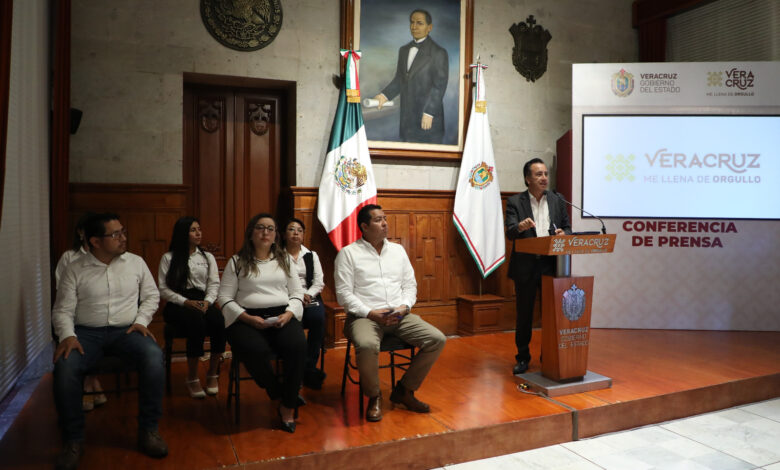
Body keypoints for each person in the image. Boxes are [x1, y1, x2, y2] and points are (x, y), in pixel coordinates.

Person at [52, 213, 166, 470]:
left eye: (123, 232)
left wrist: (142, 321)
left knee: (154, 357)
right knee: (65, 366)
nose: (123, 238)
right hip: (86, 332)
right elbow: (62, 309)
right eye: (115, 235)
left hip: (127, 330)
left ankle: (149, 430)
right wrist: (68, 335)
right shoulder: (75, 268)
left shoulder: (135, 263)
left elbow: (151, 296)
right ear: (94, 241)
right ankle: (73, 440)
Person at [334, 204, 446, 422]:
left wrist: (404, 307)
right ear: (364, 226)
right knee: (367, 345)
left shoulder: (397, 250)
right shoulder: (348, 254)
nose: (384, 223)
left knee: (437, 339)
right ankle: (374, 396)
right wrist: (371, 312)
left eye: (385, 218)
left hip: (399, 314)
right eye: (378, 220)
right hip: (365, 317)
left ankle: (404, 390)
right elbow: (344, 294)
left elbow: (410, 285)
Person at [217, 213, 306, 433]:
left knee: (297, 345)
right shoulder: (236, 262)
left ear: (276, 236)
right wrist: (246, 318)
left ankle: (286, 406)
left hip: (281, 315)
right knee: (254, 349)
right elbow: (224, 298)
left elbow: (296, 293)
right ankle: (279, 393)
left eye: (270, 228)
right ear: (251, 233)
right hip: (245, 318)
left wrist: (289, 313)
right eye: (260, 228)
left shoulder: (284, 260)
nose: (265, 232)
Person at [505, 158, 572, 375]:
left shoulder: (557, 199)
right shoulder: (515, 202)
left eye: (545, 174)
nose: (544, 178)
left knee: (551, 315)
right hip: (525, 265)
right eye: (538, 174)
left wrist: (564, 234)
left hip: (550, 264)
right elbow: (510, 232)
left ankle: (548, 355)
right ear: (527, 179)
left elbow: (568, 228)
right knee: (524, 314)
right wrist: (519, 226)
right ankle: (523, 357)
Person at [158, 216, 225, 398]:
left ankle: (212, 373)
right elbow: (163, 289)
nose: (198, 233)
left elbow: (214, 283)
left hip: (202, 300)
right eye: (193, 230)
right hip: (178, 303)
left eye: (199, 229)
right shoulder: (169, 258)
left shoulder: (207, 257)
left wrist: (208, 301)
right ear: (182, 233)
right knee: (196, 322)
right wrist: (185, 302)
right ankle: (192, 377)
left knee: (219, 320)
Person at [54, 212, 107, 412]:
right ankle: (92, 384)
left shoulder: (105, 258)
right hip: (74, 310)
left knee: (103, 328)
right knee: (81, 333)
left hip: (97, 310)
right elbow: (62, 289)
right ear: (81, 233)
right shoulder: (70, 257)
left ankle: (90, 383)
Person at [372, 9, 448, 144]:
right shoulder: (404, 50)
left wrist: (429, 113)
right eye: (412, 22)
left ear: (429, 27)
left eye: (419, 23)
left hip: (428, 121)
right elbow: (400, 80)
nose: (414, 27)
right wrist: (384, 95)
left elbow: (439, 87)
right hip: (407, 121)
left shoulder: (439, 53)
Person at [281, 218, 327, 390]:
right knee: (293, 324)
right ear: (284, 235)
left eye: (300, 230)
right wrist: (294, 297)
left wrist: (307, 294)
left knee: (318, 319)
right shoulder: (277, 255)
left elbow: (319, 282)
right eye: (291, 229)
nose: (296, 233)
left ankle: (309, 366)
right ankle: (293, 366)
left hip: (309, 297)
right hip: (287, 298)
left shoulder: (311, 255)